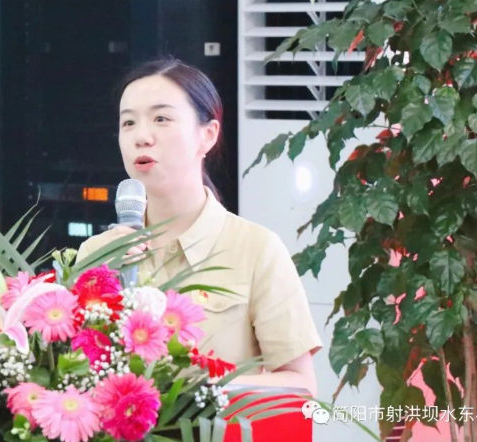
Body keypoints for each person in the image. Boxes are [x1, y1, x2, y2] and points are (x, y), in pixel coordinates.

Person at [76, 58, 322, 396]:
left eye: (161, 119)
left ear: (207, 135)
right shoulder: (96, 254)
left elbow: (300, 385)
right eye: (128, 122)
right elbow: (70, 376)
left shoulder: (255, 249)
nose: (141, 137)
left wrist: (196, 393)